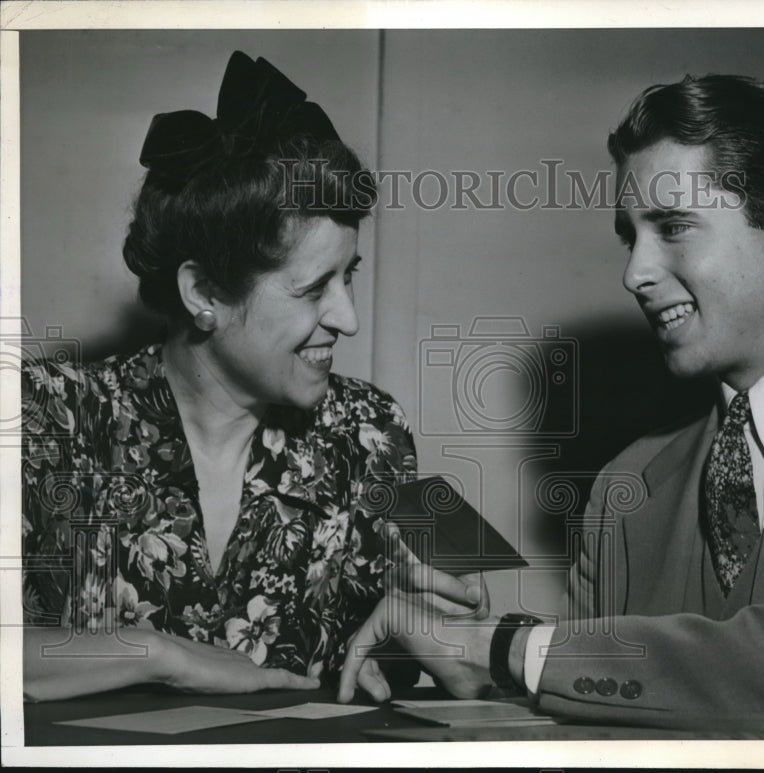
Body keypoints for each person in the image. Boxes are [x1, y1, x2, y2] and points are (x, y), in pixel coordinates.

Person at [337, 74, 764, 739]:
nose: (634, 272)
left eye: (672, 227)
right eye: (629, 235)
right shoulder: (623, 489)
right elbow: (582, 722)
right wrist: (473, 654)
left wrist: (506, 647)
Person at [21, 51, 478, 702]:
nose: (347, 318)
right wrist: (161, 654)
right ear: (204, 289)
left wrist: (434, 624)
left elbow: (483, 649)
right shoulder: (45, 414)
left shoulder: (375, 432)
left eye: (348, 276)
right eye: (313, 286)